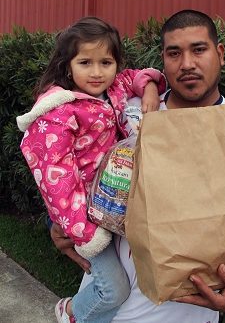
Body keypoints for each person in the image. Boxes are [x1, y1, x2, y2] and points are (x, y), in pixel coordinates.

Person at [49, 10, 225, 321]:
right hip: (106, 309)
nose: (187, 64)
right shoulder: (127, 116)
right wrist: (60, 223)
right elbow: (66, 163)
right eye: (174, 53)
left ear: (219, 54)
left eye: (199, 49)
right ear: (163, 60)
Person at [16, 18, 163, 323]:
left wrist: (149, 88)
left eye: (106, 62)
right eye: (85, 62)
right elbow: (56, 183)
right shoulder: (58, 115)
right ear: (67, 66)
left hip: (108, 203)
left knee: (112, 285)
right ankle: (71, 314)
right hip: (82, 217)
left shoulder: (111, 90)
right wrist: (86, 233)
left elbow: (137, 76)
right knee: (113, 291)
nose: (97, 72)